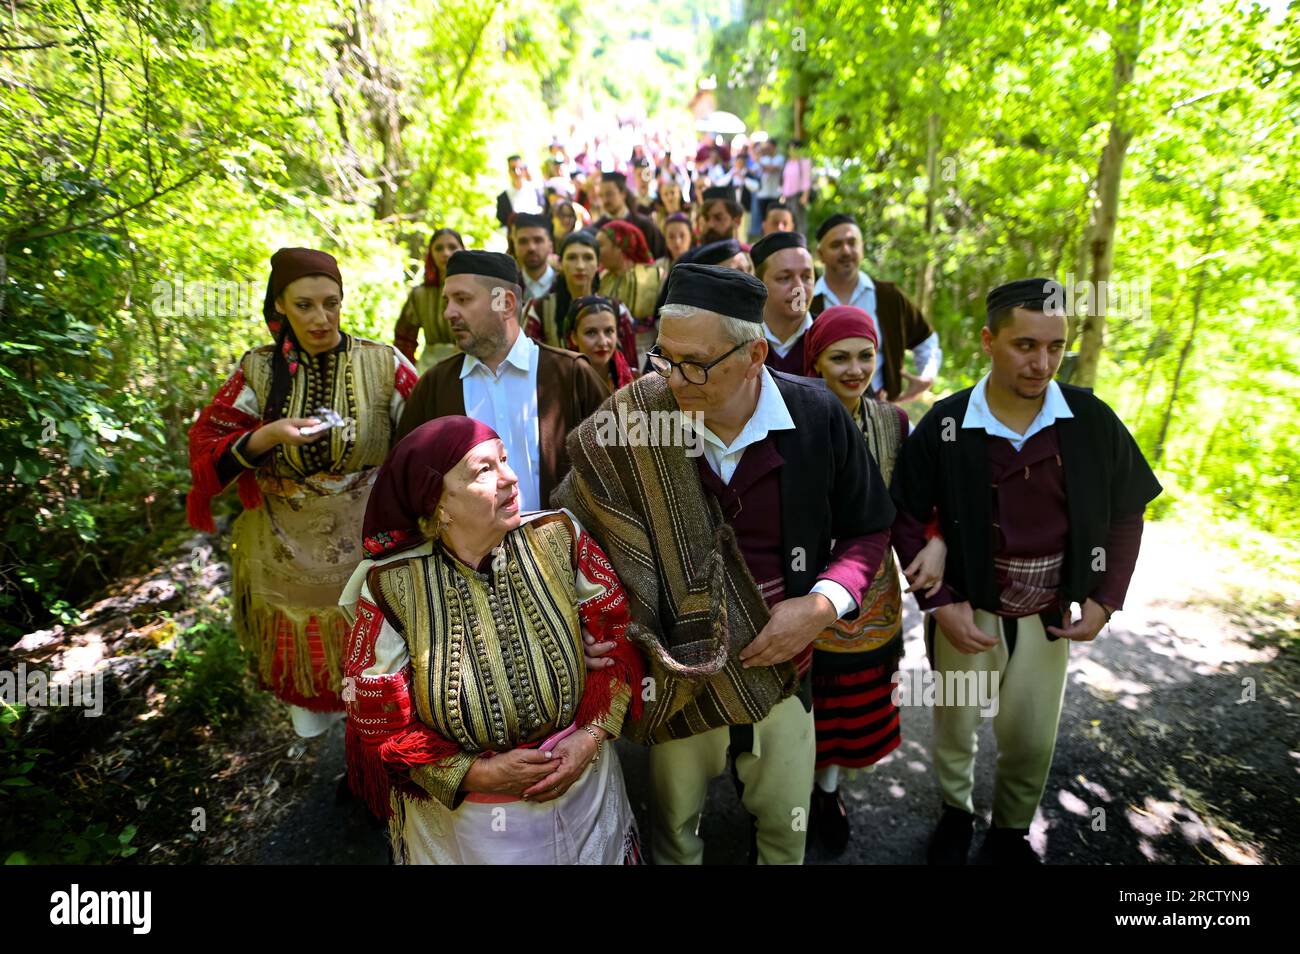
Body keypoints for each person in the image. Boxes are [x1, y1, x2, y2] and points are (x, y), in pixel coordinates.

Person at [555, 263, 896, 865]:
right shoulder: (636, 418)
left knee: (785, 835)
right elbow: (571, 532)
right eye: (665, 358)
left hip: (786, 667)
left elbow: (869, 530)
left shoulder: (817, 419)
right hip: (675, 671)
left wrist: (820, 606)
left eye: (697, 364)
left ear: (756, 352)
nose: (674, 379)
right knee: (674, 834)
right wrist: (591, 622)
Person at [890, 278, 1162, 865]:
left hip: (1047, 617)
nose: (1042, 363)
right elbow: (905, 515)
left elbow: (1127, 510)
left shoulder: (1089, 420)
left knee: (1032, 738)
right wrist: (938, 605)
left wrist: (1107, 597)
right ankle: (955, 814)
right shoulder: (948, 422)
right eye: (1024, 345)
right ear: (989, 340)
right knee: (956, 727)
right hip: (966, 610)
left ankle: (1011, 832)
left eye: (1055, 347)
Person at [340, 416, 646, 864]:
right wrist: (471, 774)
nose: (511, 477)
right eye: (485, 470)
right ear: (438, 504)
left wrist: (592, 736)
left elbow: (618, 637)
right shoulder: (391, 586)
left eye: (504, 460)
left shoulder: (558, 536)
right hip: (470, 826)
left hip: (585, 787)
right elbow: (377, 713)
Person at [187, 247, 418, 738]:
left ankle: (386, 769)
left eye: (331, 303)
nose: (322, 317)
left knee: (386, 671)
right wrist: (266, 437)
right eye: (305, 306)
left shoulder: (383, 364)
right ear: (279, 309)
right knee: (319, 690)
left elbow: (427, 438)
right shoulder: (257, 371)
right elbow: (206, 446)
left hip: (370, 545)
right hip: (287, 555)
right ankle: (351, 765)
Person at [801, 306, 948, 854]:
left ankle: (827, 791)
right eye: (839, 357)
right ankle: (787, 799)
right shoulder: (793, 418)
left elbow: (916, 499)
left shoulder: (895, 423)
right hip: (806, 588)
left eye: (866, 356)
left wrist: (938, 537)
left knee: (851, 711)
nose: (855, 368)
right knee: (804, 705)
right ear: (815, 361)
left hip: (874, 590)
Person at [396, 250, 607, 512]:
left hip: (563, 548)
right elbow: (406, 483)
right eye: (447, 301)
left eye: (462, 299)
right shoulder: (434, 387)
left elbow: (616, 472)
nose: (449, 313)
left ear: (505, 303)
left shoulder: (571, 376)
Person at [811, 213, 942, 403]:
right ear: (820, 254)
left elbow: (926, 341)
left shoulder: (888, 297)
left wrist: (926, 377)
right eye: (836, 245)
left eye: (852, 242)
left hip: (881, 412)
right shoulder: (808, 301)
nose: (846, 251)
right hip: (822, 412)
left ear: (862, 248)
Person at [394, 228, 465, 373]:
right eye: (439, 248)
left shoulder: (476, 292)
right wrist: (407, 372)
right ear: (431, 254)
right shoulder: (420, 295)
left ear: (463, 251)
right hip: (429, 367)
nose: (446, 253)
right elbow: (404, 339)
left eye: (452, 247)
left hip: (468, 365)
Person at [751, 230, 816, 375]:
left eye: (806, 277)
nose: (799, 288)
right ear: (759, 283)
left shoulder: (828, 336)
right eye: (784, 278)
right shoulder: (741, 339)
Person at [598, 219, 663, 354]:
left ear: (619, 247)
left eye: (601, 245)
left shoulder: (655, 276)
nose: (597, 251)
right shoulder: (602, 278)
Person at [565, 295, 637, 394]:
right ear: (574, 337)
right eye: (591, 332)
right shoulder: (563, 384)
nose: (602, 342)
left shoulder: (635, 380)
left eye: (608, 331)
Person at [595, 171, 668, 260]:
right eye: (601, 196)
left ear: (623, 193)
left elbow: (660, 258)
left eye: (609, 194)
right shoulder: (596, 229)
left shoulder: (644, 225)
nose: (605, 200)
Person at [512, 212, 556, 306]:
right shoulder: (507, 288)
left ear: (550, 245)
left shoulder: (566, 286)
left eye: (538, 240)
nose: (531, 248)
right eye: (523, 242)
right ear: (515, 246)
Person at [495, 154, 544, 229]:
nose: (517, 172)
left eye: (520, 168)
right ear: (509, 171)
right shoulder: (503, 197)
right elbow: (502, 220)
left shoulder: (536, 191)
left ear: (524, 169)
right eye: (513, 169)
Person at [755, 139, 786, 235]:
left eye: (768, 147)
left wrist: (759, 159)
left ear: (774, 147)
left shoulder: (779, 158)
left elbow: (772, 169)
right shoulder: (764, 159)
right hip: (762, 194)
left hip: (774, 194)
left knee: (774, 217)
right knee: (763, 218)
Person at [781, 139, 812, 234]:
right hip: (788, 196)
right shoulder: (788, 163)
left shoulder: (804, 162)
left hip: (798, 196)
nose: (791, 151)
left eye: (794, 149)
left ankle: (801, 243)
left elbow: (806, 180)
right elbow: (785, 180)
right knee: (789, 221)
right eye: (790, 149)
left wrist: (805, 195)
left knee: (799, 221)